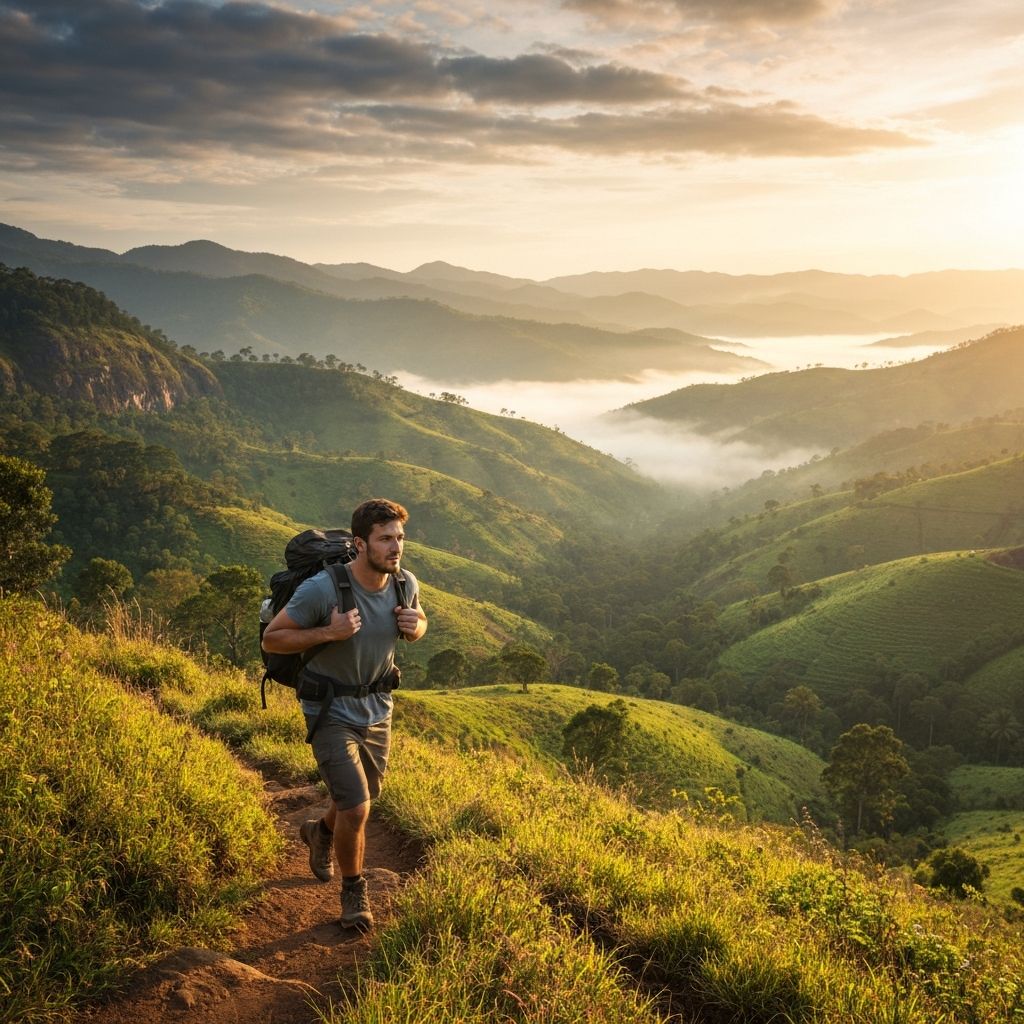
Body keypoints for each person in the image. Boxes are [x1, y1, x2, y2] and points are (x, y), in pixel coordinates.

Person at [261, 498, 427, 929]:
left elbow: (419, 619)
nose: (396, 548)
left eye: (400, 538)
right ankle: (354, 893)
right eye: (386, 539)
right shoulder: (322, 589)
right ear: (360, 544)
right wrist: (328, 632)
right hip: (329, 707)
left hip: (377, 708)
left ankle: (320, 832)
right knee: (356, 808)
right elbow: (273, 639)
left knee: (362, 799)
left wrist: (416, 626)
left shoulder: (404, 582)